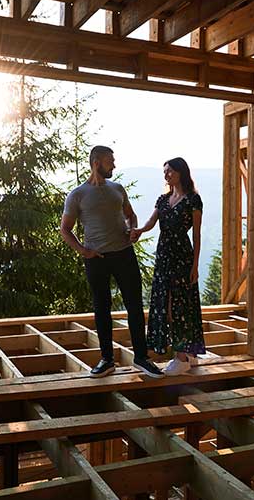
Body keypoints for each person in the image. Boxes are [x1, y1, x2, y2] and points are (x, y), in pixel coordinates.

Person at [60, 146, 164, 378]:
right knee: (102, 308)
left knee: (135, 306)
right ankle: (107, 360)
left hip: (125, 254)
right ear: (96, 163)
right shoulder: (77, 194)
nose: (114, 166)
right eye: (110, 161)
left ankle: (141, 358)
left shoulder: (118, 189)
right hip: (97, 258)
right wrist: (82, 251)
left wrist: (131, 229)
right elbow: (65, 230)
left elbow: (131, 215)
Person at [130, 157, 205, 376]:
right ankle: (185, 354)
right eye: (164, 171)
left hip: (183, 257)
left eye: (170, 171)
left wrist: (195, 265)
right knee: (167, 305)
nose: (166, 175)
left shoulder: (193, 199)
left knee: (180, 305)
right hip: (163, 257)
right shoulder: (163, 199)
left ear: (181, 172)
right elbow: (151, 223)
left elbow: (197, 234)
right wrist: (138, 231)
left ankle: (182, 357)